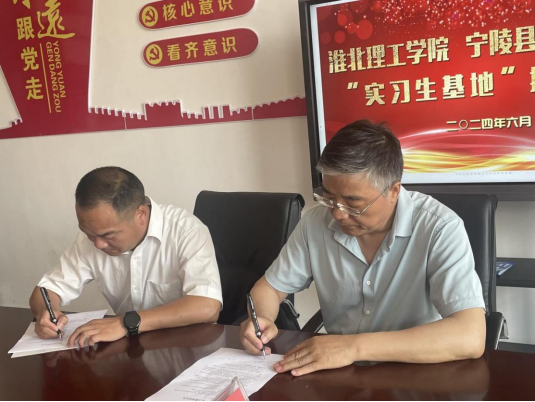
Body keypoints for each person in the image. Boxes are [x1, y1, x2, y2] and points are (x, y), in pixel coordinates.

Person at [241, 120, 486, 377]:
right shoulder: (314, 224)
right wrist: (262, 318)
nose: (338, 214)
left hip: (415, 372)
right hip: (340, 373)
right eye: (329, 197)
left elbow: (470, 335)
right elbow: (270, 288)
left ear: (393, 191)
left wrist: (353, 347)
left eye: (353, 203)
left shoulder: (439, 228)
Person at [30, 167, 223, 348]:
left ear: (141, 214)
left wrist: (127, 323)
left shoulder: (186, 231)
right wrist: (45, 313)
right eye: (88, 233)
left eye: (108, 235)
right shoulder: (91, 239)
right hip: (132, 350)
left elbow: (207, 306)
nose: (98, 245)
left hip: (186, 348)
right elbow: (46, 290)